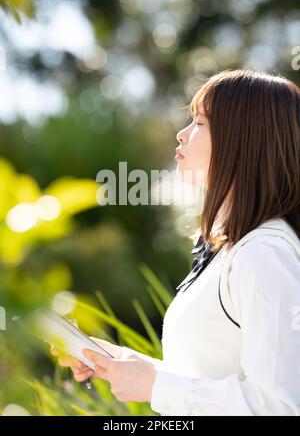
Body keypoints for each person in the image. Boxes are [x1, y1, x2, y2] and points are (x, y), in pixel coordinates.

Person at [51, 69, 300, 416]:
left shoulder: (264, 254)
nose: (182, 135)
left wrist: (155, 385)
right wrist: (124, 364)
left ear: (242, 139)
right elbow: (210, 376)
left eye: (200, 123)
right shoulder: (233, 249)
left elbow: (282, 406)